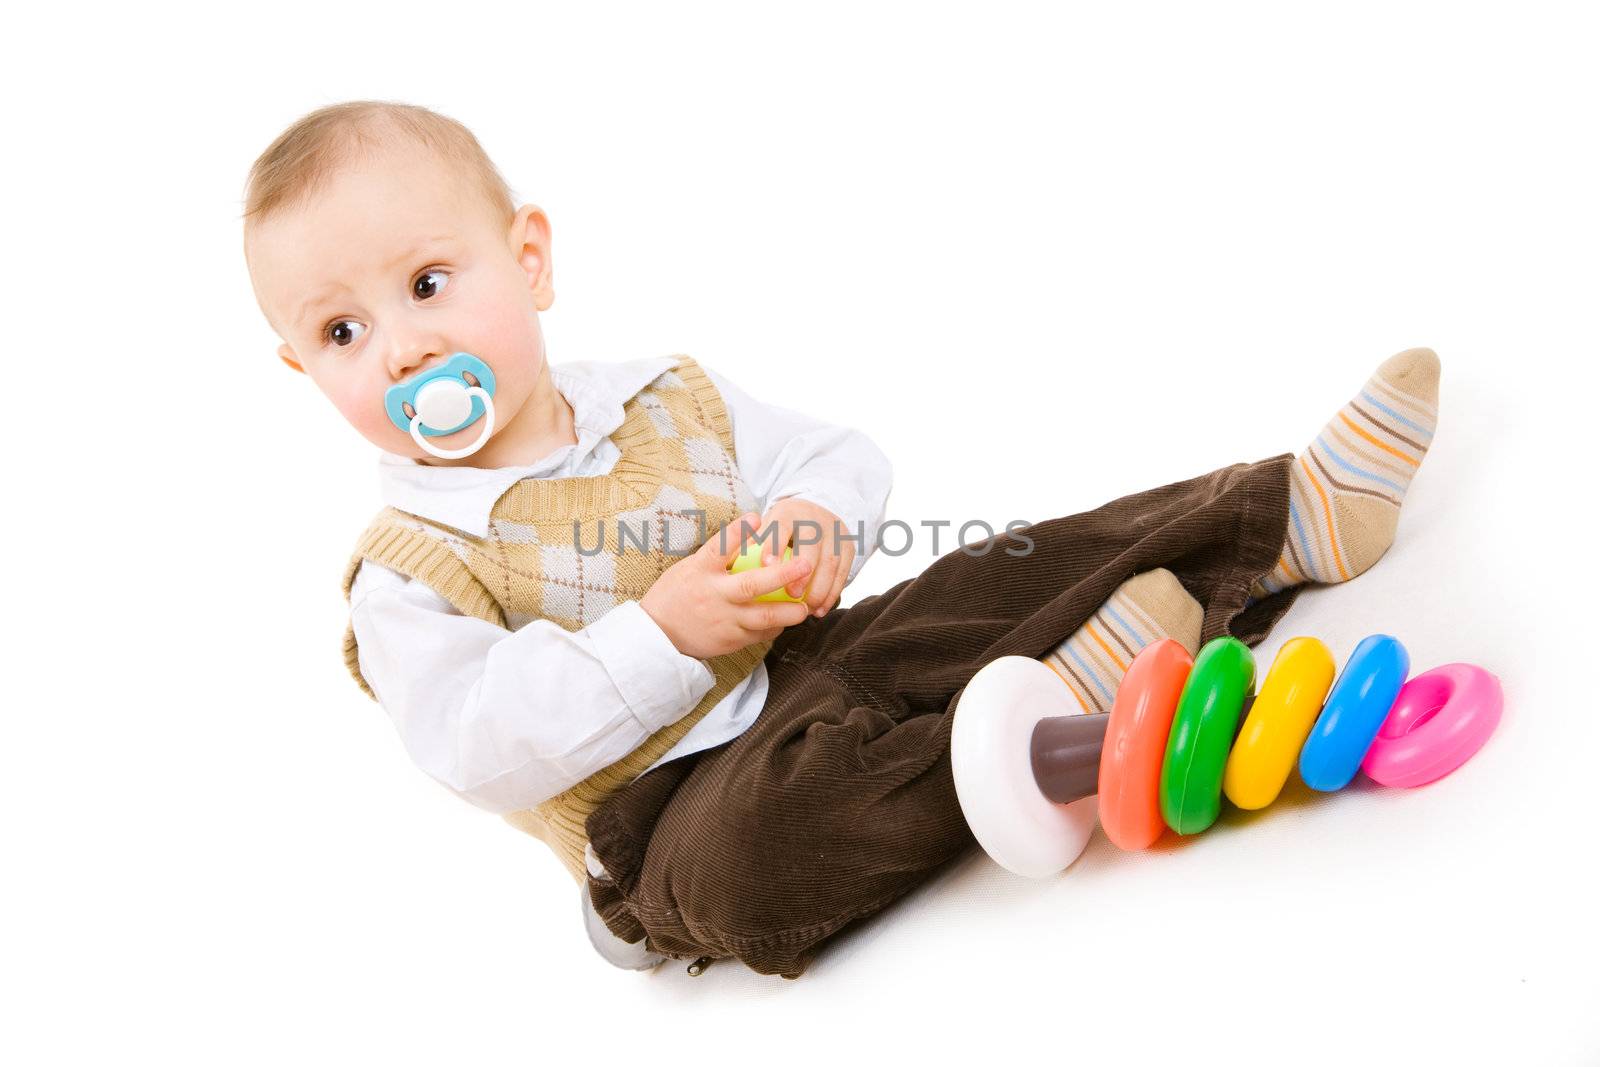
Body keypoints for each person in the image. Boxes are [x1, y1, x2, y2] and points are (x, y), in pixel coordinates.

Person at [242, 100, 1440, 980]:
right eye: (342, 330)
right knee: (753, 864)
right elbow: (473, 742)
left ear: (530, 258)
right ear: (303, 368)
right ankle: (1041, 731)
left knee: (986, 570)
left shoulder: (669, 395)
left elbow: (839, 460)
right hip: (669, 816)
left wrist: (814, 523)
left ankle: (1288, 513)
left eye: (429, 283)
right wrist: (662, 631)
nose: (400, 348)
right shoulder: (409, 572)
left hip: (816, 666)